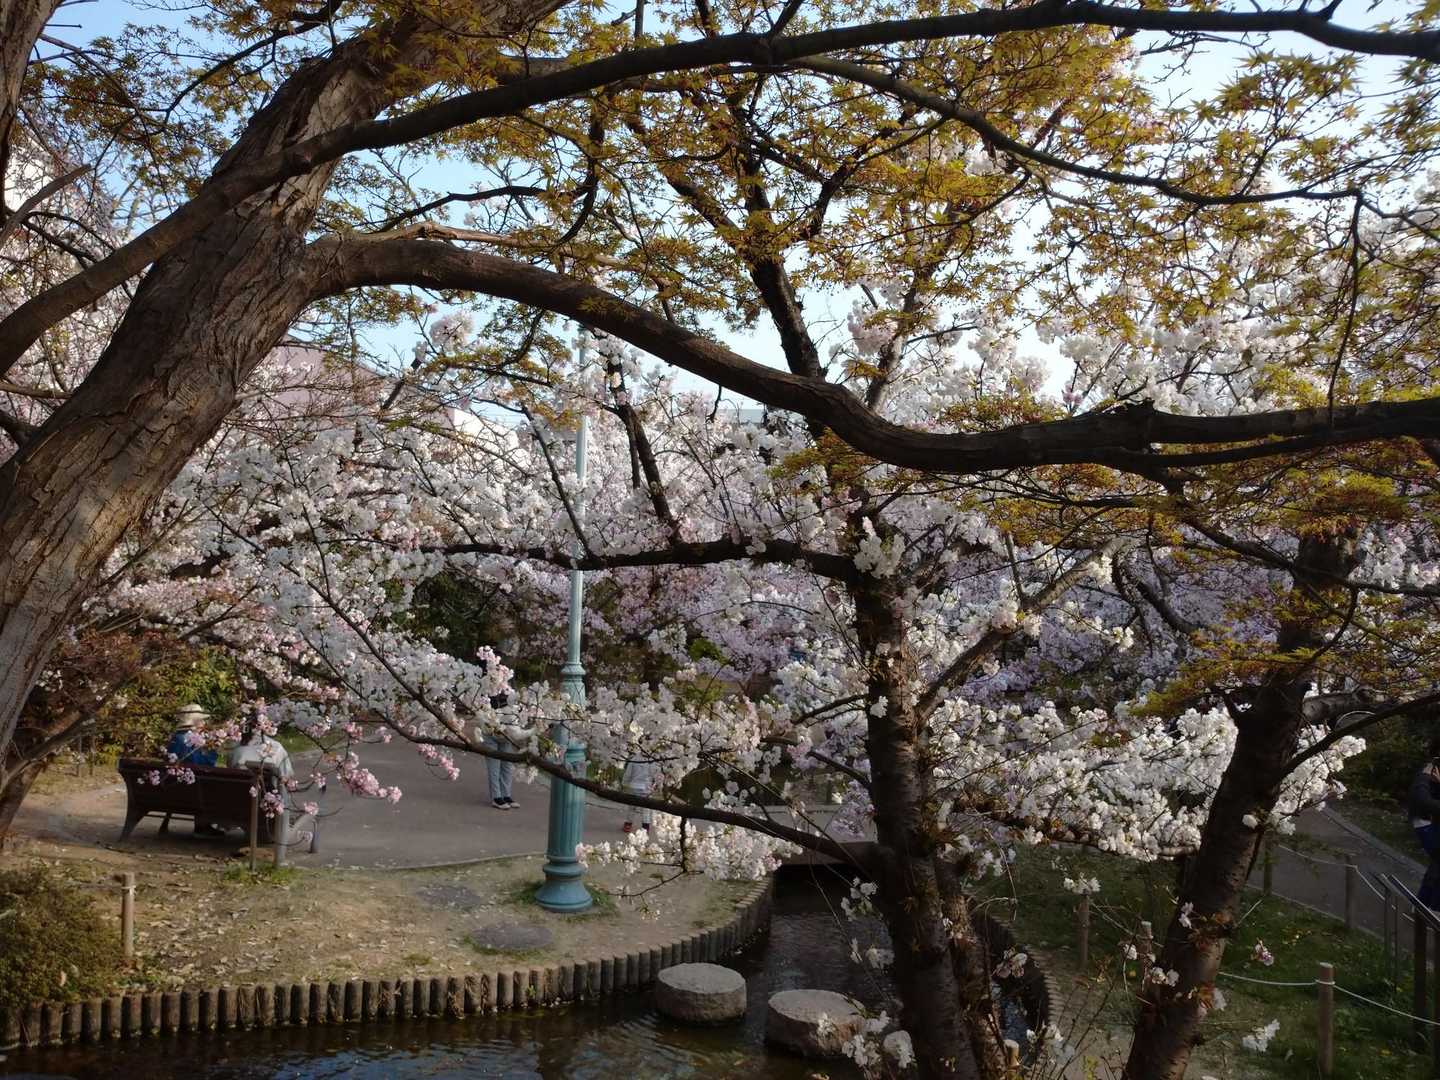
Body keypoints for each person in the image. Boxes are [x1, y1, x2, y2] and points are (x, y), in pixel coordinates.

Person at [1409, 735, 1440, 906]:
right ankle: (1426, 906)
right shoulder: (1428, 770)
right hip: (1426, 822)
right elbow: (1422, 801)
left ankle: (1424, 905)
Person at [227, 721, 294, 780]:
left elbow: (231, 766)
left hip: (242, 784)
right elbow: (285, 774)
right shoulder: (276, 746)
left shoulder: (236, 749)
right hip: (268, 785)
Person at [482, 732, 519, 810]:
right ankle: (496, 798)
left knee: (507, 766)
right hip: (490, 733)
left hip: (506, 736)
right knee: (494, 767)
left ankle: (506, 796)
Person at [620, 757, 656, 834]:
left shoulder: (634, 759)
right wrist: (654, 786)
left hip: (634, 786)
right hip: (647, 787)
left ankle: (628, 824)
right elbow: (655, 775)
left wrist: (624, 783)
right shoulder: (653, 760)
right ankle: (645, 827)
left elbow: (628, 773)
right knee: (646, 808)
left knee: (632, 807)